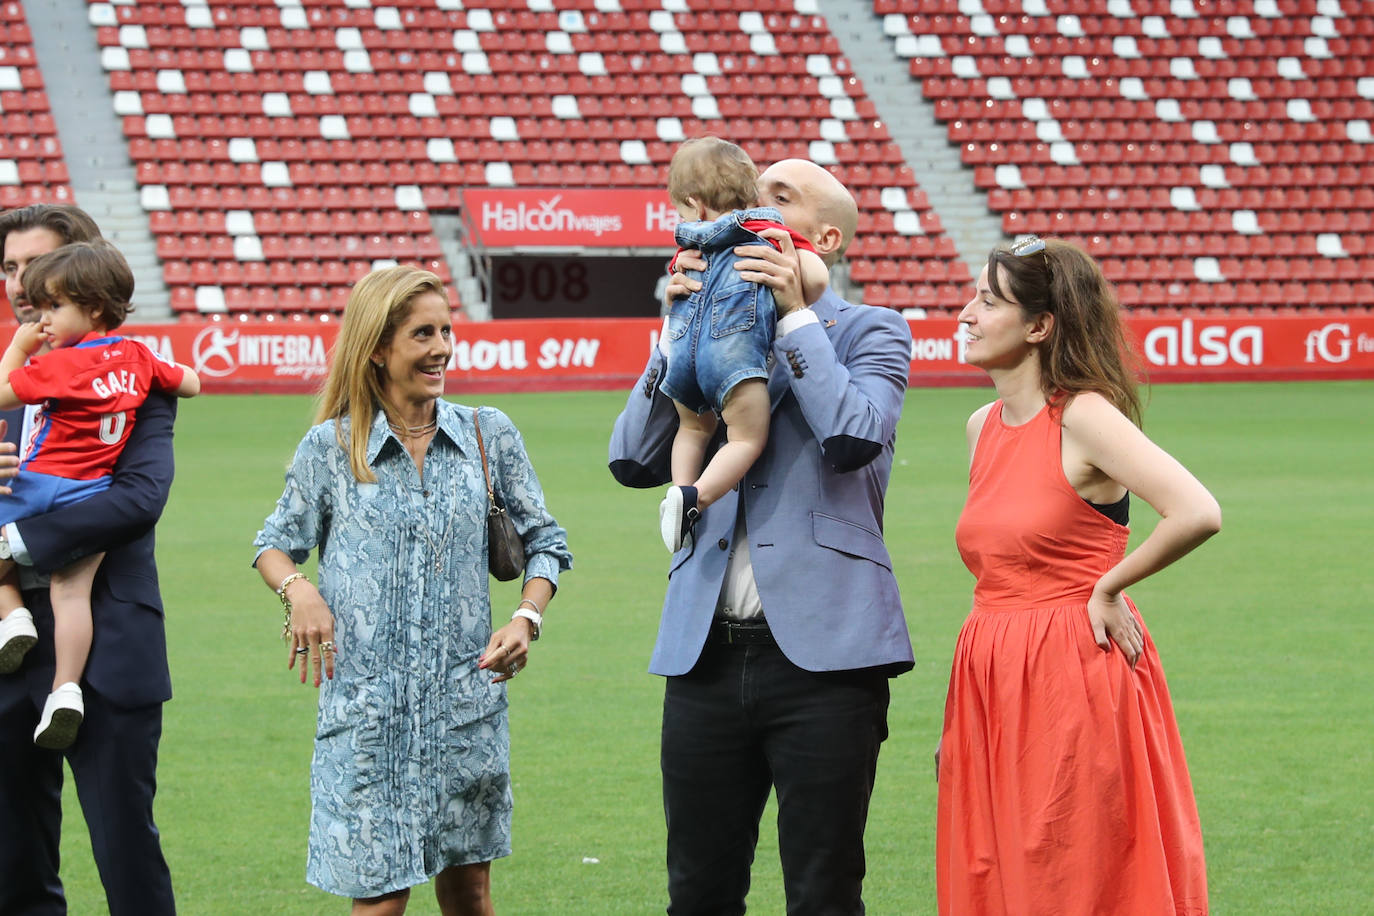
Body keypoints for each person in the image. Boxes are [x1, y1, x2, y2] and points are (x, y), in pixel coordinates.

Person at [609, 158, 914, 915]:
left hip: (827, 663)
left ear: (827, 237)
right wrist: (673, 334)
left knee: (823, 893)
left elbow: (852, 436)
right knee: (699, 893)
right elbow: (635, 458)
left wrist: (794, 316)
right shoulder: (708, 322)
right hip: (704, 654)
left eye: (781, 197)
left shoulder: (873, 331)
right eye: (755, 195)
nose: (757, 206)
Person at [253, 265, 571, 915]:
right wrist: (298, 590)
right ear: (378, 347)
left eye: (446, 330)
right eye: (422, 333)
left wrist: (525, 618)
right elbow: (273, 541)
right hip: (370, 719)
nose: (442, 348)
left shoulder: (488, 435)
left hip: (464, 710)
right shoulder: (333, 447)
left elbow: (548, 542)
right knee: (380, 902)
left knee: (470, 897)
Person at [935, 236, 1218, 915]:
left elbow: (1196, 511)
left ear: (1039, 326)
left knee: (1076, 861)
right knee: (1000, 859)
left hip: (1072, 667)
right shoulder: (982, 425)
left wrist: (1109, 584)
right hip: (990, 666)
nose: (966, 314)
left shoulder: (1084, 415)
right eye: (972, 296)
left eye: (988, 301)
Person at [0, 204, 180, 915]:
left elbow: (138, 498)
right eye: (9, 268)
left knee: (125, 851)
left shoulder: (137, 380)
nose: (19, 285)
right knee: (12, 858)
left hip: (110, 641)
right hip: (8, 654)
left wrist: (17, 543)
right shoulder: (9, 378)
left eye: (34, 267)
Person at [0, 241, 200, 749]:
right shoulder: (139, 357)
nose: (43, 318)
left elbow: (4, 392)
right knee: (73, 594)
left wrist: (22, 347)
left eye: (53, 306)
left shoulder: (62, 365)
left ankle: (12, 616)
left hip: (40, 482)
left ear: (92, 307)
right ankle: (66, 689)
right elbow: (191, 382)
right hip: (92, 494)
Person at [656, 137, 830, 552]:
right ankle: (697, 498)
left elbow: (679, 283)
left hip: (683, 352)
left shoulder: (688, 244)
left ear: (695, 206)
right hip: (732, 355)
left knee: (691, 427)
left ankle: (678, 490)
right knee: (746, 439)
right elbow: (818, 278)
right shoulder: (769, 231)